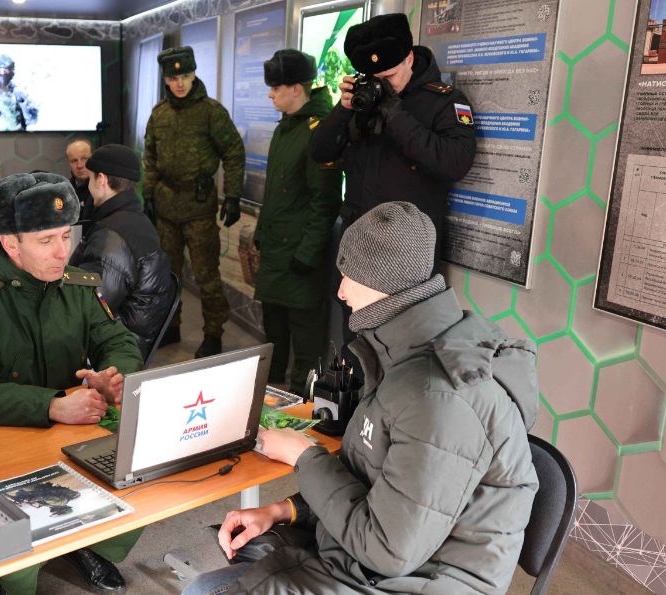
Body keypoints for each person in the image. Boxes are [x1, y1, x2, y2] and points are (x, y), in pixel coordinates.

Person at [183, 202, 539, 595]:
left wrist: (304, 456)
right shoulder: (408, 356)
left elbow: (387, 549)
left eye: (348, 275)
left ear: (379, 281)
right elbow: (374, 482)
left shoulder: (440, 399)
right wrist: (286, 510)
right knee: (203, 588)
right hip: (371, 566)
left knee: (202, 591)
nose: (340, 290)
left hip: (410, 581)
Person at [0, 172, 144, 593]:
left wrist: (114, 376)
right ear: (11, 243)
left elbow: (118, 341)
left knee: (140, 476)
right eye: (46, 241)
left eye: (66, 236)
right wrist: (51, 405)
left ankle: (87, 544)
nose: (63, 252)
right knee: (20, 551)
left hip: (70, 431)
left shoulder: (76, 286)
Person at [309, 13, 477, 265]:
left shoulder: (446, 101)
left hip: (406, 250)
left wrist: (395, 115)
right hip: (356, 241)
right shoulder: (364, 98)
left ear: (409, 58)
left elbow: (454, 163)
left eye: (389, 77)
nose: (382, 85)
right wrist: (343, 110)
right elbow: (320, 152)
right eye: (375, 79)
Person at [143, 46, 245, 358]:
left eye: (185, 76)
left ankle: (213, 334)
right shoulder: (159, 114)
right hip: (166, 207)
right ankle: (170, 325)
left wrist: (233, 196)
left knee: (206, 276)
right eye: (174, 78)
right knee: (168, 275)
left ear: (193, 74)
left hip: (199, 208)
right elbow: (150, 157)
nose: (180, 83)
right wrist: (147, 195)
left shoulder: (211, 112)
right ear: (165, 79)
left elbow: (233, 152)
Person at [255, 49, 342, 396]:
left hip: (299, 257)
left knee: (306, 342)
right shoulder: (286, 127)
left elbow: (325, 201)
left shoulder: (318, 131)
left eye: (276, 87)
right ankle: (269, 400)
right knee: (274, 335)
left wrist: (308, 254)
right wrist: (261, 234)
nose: (270, 94)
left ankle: (301, 406)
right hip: (275, 253)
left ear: (296, 88)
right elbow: (276, 192)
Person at [71, 144, 177, 360]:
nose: (89, 186)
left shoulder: (112, 237)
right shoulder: (135, 219)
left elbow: (86, 310)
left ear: (101, 180)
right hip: (131, 336)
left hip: (114, 348)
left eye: (90, 179)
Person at [66, 137, 95, 223]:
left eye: (84, 158)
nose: (79, 165)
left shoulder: (105, 190)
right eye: (74, 161)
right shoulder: (64, 192)